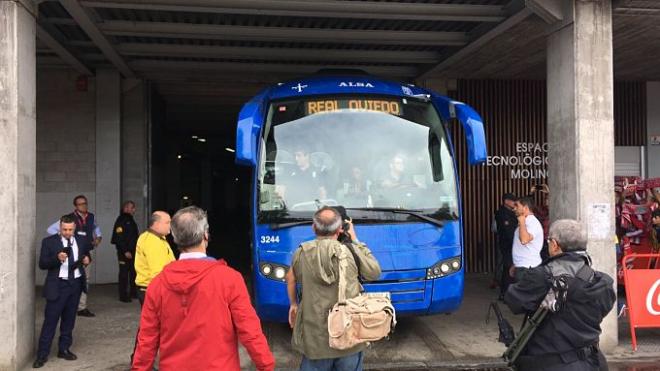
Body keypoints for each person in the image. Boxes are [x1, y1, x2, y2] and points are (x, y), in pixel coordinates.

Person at [132, 206, 275, 371]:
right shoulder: (229, 279)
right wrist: (266, 364)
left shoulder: (157, 285)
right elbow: (249, 330)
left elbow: (147, 339)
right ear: (205, 235)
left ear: (175, 238)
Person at [504, 219, 616, 371]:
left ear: (555, 245)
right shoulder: (599, 281)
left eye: (548, 240)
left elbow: (514, 301)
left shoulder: (543, 276)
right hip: (593, 361)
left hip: (552, 363)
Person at [286, 207, 381, 370]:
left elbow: (290, 278)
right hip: (348, 337)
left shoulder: (301, 252)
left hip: (315, 341)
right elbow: (374, 272)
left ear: (313, 227)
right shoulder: (351, 251)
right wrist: (356, 239)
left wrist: (294, 304)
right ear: (340, 229)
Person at [33, 215, 92, 368]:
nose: (67, 232)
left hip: (76, 285)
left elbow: (86, 255)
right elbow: (42, 264)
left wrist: (87, 260)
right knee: (50, 321)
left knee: (69, 320)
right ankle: (42, 355)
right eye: (64, 229)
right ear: (60, 227)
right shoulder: (49, 242)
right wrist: (57, 258)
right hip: (58, 285)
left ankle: (64, 349)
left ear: (75, 228)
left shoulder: (81, 240)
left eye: (70, 229)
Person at [47, 195, 101, 318]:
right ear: (76, 206)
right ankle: (68, 304)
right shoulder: (69, 218)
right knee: (70, 277)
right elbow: (51, 229)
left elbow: (96, 228)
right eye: (81, 204)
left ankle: (81, 307)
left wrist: (98, 237)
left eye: (85, 203)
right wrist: (64, 238)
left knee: (85, 279)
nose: (84, 205)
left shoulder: (91, 217)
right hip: (72, 252)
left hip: (86, 252)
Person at [134, 210, 175, 306]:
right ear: (156, 224)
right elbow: (158, 273)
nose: (170, 225)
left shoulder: (154, 238)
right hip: (155, 290)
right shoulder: (153, 242)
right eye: (167, 222)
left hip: (149, 289)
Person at [510, 197, 544, 282]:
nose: (514, 209)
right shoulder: (527, 221)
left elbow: (524, 240)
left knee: (523, 295)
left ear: (525, 208)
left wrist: (521, 222)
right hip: (523, 266)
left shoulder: (532, 222)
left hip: (527, 268)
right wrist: (515, 264)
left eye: (517, 206)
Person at [111, 201, 139, 302]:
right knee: (123, 274)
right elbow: (119, 237)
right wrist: (125, 251)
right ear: (126, 208)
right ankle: (123, 295)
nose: (134, 210)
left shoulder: (130, 220)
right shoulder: (122, 220)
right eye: (132, 207)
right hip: (125, 252)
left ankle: (133, 292)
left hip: (132, 252)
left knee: (133, 272)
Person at [494, 193, 518, 299]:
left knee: (508, 267)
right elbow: (508, 232)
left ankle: (506, 293)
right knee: (508, 268)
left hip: (511, 245)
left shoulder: (510, 212)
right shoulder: (502, 213)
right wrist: (516, 244)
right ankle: (504, 293)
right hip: (507, 245)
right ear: (506, 201)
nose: (515, 203)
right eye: (513, 201)